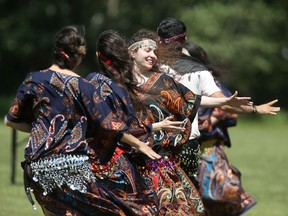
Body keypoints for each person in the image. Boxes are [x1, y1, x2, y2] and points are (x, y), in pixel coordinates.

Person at [4, 25, 159, 216]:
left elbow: (11, 120)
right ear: (78, 57)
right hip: (70, 167)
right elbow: (109, 126)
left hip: (36, 168)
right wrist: (139, 144)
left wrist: (44, 129)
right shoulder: (84, 86)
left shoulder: (34, 80)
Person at [156, 18, 280, 215]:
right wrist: (255, 109)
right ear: (184, 39)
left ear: (159, 40)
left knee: (160, 203)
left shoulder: (148, 65)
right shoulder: (197, 69)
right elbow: (224, 101)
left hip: (155, 145)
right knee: (188, 202)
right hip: (187, 145)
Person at [128, 29, 252, 216]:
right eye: (148, 51)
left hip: (180, 152)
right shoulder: (125, 81)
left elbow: (196, 100)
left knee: (193, 203)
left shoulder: (171, 80)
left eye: (155, 51)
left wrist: (220, 108)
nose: (153, 55)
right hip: (138, 153)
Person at [86, 30, 187, 215]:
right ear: (128, 54)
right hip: (116, 162)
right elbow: (117, 127)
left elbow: (117, 126)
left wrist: (155, 127)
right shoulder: (119, 87)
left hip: (88, 160)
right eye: (148, 50)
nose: (153, 56)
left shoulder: (92, 81)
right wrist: (141, 142)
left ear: (98, 55)